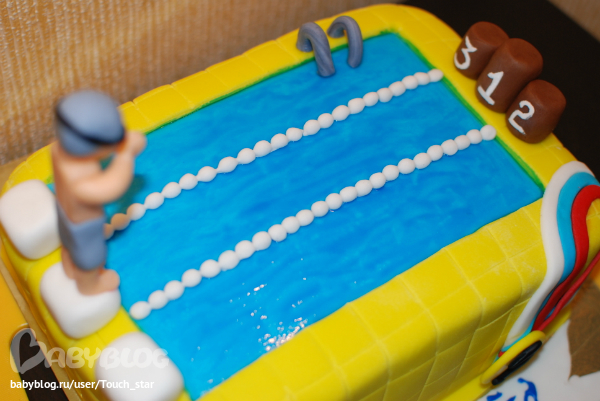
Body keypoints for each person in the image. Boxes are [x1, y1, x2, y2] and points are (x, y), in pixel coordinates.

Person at [51, 90, 146, 295]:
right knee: (91, 258)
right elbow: (112, 187)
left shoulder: (58, 151)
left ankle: (69, 268)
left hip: (63, 212)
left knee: (67, 246)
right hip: (84, 225)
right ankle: (89, 286)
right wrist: (125, 155)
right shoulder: (80, 180)